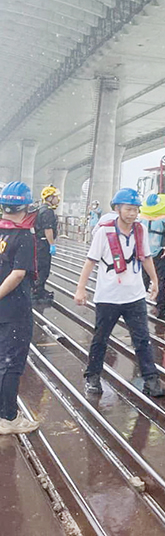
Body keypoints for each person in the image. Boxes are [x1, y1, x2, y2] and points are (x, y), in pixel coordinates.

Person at [75, 188, 165, 398]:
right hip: (108, 297)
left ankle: (151, 380)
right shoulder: (104, 233)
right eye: (128, 209)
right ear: (118, 209)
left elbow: (146, 258)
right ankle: (93, 377)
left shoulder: (140, 231)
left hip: (134, 297)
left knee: (142, 339)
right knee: (100, 338)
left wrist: (154, 280)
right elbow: (91, 261)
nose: (132, 214)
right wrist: (81, 288)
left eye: (135, 210)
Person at [0, 182, 40, 435]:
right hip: (14, 309)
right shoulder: (24, 236)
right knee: (11, 363)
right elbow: (17, 275)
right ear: (26, 208)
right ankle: (7, 418)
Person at [140, 194, 165, 320]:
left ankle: (138, 308)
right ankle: (161, 309)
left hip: (144, 255)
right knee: (160, 281)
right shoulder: (163, 219)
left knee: (143, 282)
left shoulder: (142, 219)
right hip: (158, 254)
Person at [33, 185, 60, 304]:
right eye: (55, 197)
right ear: (49, 198)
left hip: (38, 242)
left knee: (40, 266)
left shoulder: (40, 209)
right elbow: (48, 229)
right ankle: (37, 293)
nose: (57, 199)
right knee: (43, 268)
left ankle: (39, 290)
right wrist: (52, 244)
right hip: (43, 243)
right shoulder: (48, 211)